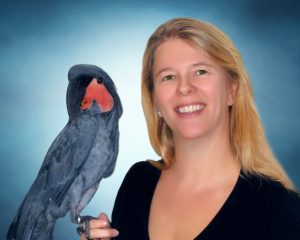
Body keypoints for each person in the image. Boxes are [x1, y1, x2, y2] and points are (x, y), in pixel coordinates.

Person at [79, 18, 300, 240]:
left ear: (232, 89)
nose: (184, 87)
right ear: (155, 100)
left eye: (201, 71)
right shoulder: (138, 183)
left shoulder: (281, 209)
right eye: (168, 77)